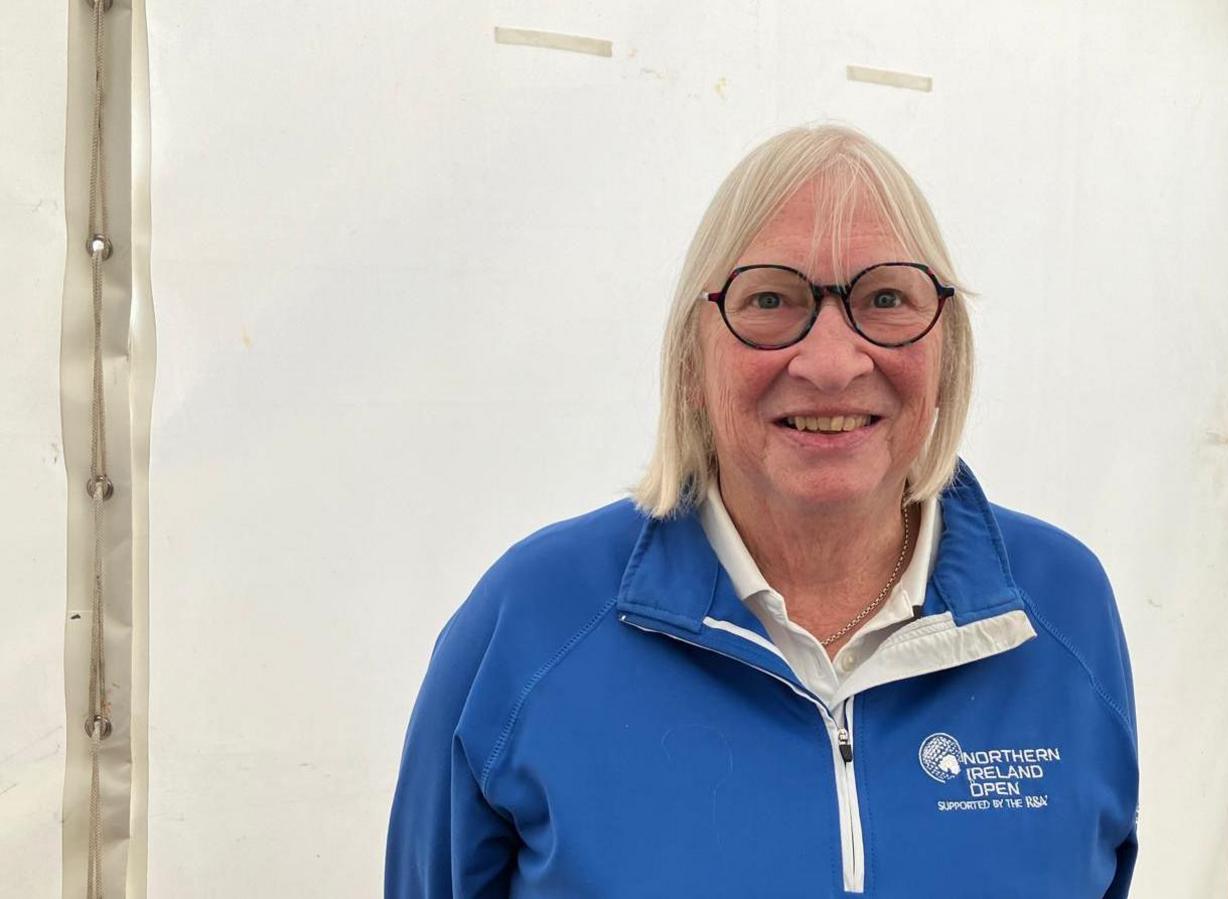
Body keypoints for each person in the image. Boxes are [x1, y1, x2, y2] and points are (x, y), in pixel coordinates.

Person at [385, 123, 1138, 897]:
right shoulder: (532, 620)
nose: (831, 362)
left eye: (886, 298)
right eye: (772, 299)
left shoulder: (1063, 610)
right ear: (690, 362)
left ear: (947, 348)